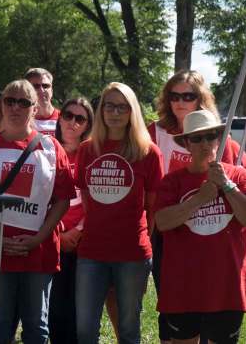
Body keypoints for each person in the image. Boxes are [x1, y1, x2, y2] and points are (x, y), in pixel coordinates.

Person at [148, 69, 246, 344]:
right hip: (183, 286)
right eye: (197, 138)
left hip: (227, 288)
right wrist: (200, 198)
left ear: (219, 138)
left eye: (211, 136)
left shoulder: (237, 174)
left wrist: (227, 186)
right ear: (186, 143)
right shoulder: (173, 182)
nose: (205, 143)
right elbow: (161, 223)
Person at [0, 79, 75, 344]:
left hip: (39, 252)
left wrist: (38, 238)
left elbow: (63, 199)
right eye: (9, 100)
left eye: (23, 102)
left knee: (37, 328)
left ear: (35, 109)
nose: (15, 107)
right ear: (1, 104)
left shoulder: (50, 147)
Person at [75, 82, 164, 344]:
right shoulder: (86, 150)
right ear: (101, 110)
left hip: (132, 253)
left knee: (128, 330)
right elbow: (87, 200)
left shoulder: (148, 152)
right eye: (109, 105)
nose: (115, 112)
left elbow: (153, 206)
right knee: (84, 330)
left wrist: (141, 236)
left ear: (132, 111)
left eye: (122, 107)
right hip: (92, 252)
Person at [48, 98, 93, 344]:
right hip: (52, 238)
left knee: (79, 308)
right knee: (55, 308)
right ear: (60, 117)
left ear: (87, 125)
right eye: (68, 115)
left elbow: (97, 199)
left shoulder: (92, 154)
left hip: (83, 241)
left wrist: (78, 230)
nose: (72, 122)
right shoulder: (46, 150)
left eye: (80, 118)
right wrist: (58, 232)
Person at [24, 68, 59, 136]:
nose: (41, 90)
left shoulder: (65, 119)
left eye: (45, 86)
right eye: (36, 86)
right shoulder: (22, 121)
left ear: (51, 90)